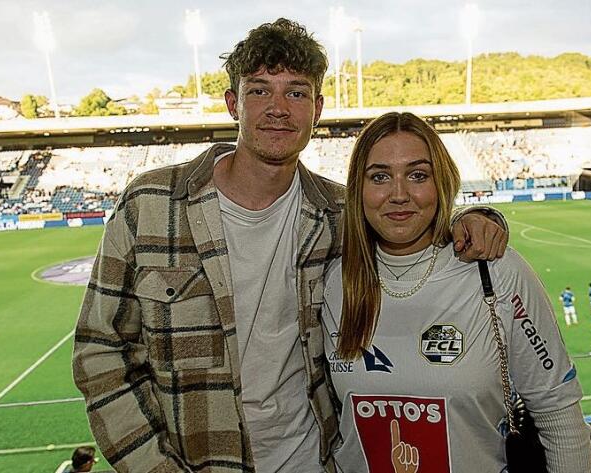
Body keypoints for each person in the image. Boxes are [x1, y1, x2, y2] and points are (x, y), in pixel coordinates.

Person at [72, 19, 508, 473]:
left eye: (296, 93)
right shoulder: (150, 205)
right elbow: (100, 353)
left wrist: (479, 220)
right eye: (260, 90)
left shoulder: (342, 213)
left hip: (315, 461)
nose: (278, 108)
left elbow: (414, 224)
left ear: (317, 108)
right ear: (232, 104)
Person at [321, 112, 591, 473]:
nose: (399, 194)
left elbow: (559, 416)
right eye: (380, 177)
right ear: (358, 189)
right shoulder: (333, 283)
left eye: (418, 175)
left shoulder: (494, 270)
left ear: (441, 182)